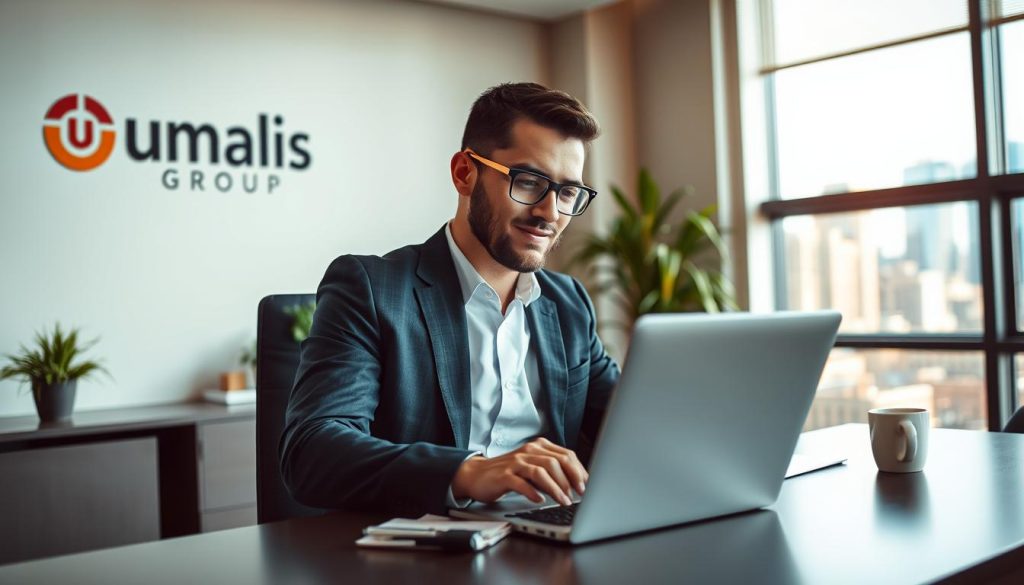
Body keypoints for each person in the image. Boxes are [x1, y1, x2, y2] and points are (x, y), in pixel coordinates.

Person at [280, 82, 621, 516]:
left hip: (550, 538)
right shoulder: (370, 288)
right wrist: (469, 471)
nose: (550, 212)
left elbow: (626, 426)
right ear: (464, 173)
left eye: (568, 192)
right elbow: (312, 452)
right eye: (529, 181)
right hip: (428, 552)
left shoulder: (569, 303)